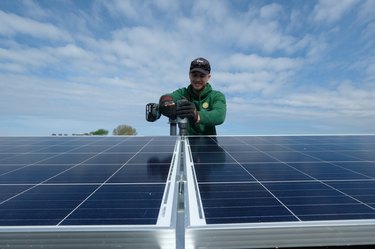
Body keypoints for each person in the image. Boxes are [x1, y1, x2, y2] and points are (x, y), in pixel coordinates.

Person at [158, 57, 226, 135]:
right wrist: (165, 102)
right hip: (186, 143)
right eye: (194, 75)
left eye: (202, 76)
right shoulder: (183, 93)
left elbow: (219, 115)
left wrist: (196, 115)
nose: (197, 79)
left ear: (208, 77)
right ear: (189, 75)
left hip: (209, 144)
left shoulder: (216, 96)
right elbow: (168, 97)